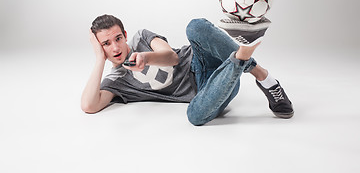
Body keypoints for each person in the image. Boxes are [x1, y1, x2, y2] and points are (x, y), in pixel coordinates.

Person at [81, 14, 294, 126]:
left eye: (118, 38)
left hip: (199, 60)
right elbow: (89, 105)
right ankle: (242, 55)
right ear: (99, 47)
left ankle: (263, 77)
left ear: (125, 34)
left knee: (195, 26)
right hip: (210, 90)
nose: (115, 47)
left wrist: (145, 57)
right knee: (194, 116)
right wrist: (99, 59)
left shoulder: (141, 37)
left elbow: (171, 57)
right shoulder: (117, 81)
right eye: (106, 44)